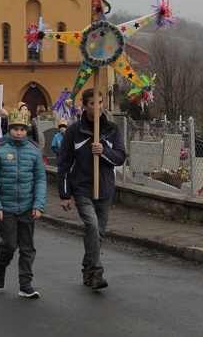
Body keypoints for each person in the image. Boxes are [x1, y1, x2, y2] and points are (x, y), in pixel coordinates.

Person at [56, 88, 126, 290]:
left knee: (98, 233)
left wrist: (104, 151)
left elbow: (121, 156)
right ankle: (96, 273)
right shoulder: (74, 131)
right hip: (82, 188)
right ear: (85, 106)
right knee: (92, 226)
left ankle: (87, 270)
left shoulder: (112, 129)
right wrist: (65, 194)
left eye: (101, 102)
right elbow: (64, 163)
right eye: (94, 103)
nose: (99, 106)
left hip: (104, 188)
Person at [0, 108, 47, 298]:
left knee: (28, 247)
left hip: (28, 207)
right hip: (6, 208)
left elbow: (40, 179)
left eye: (22, 129)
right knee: (10, 244)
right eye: (15, 129)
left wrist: (38, 204)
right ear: (9, 129)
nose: (19, 132)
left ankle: (25, 283)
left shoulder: (35, 151)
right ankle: (1, 265)